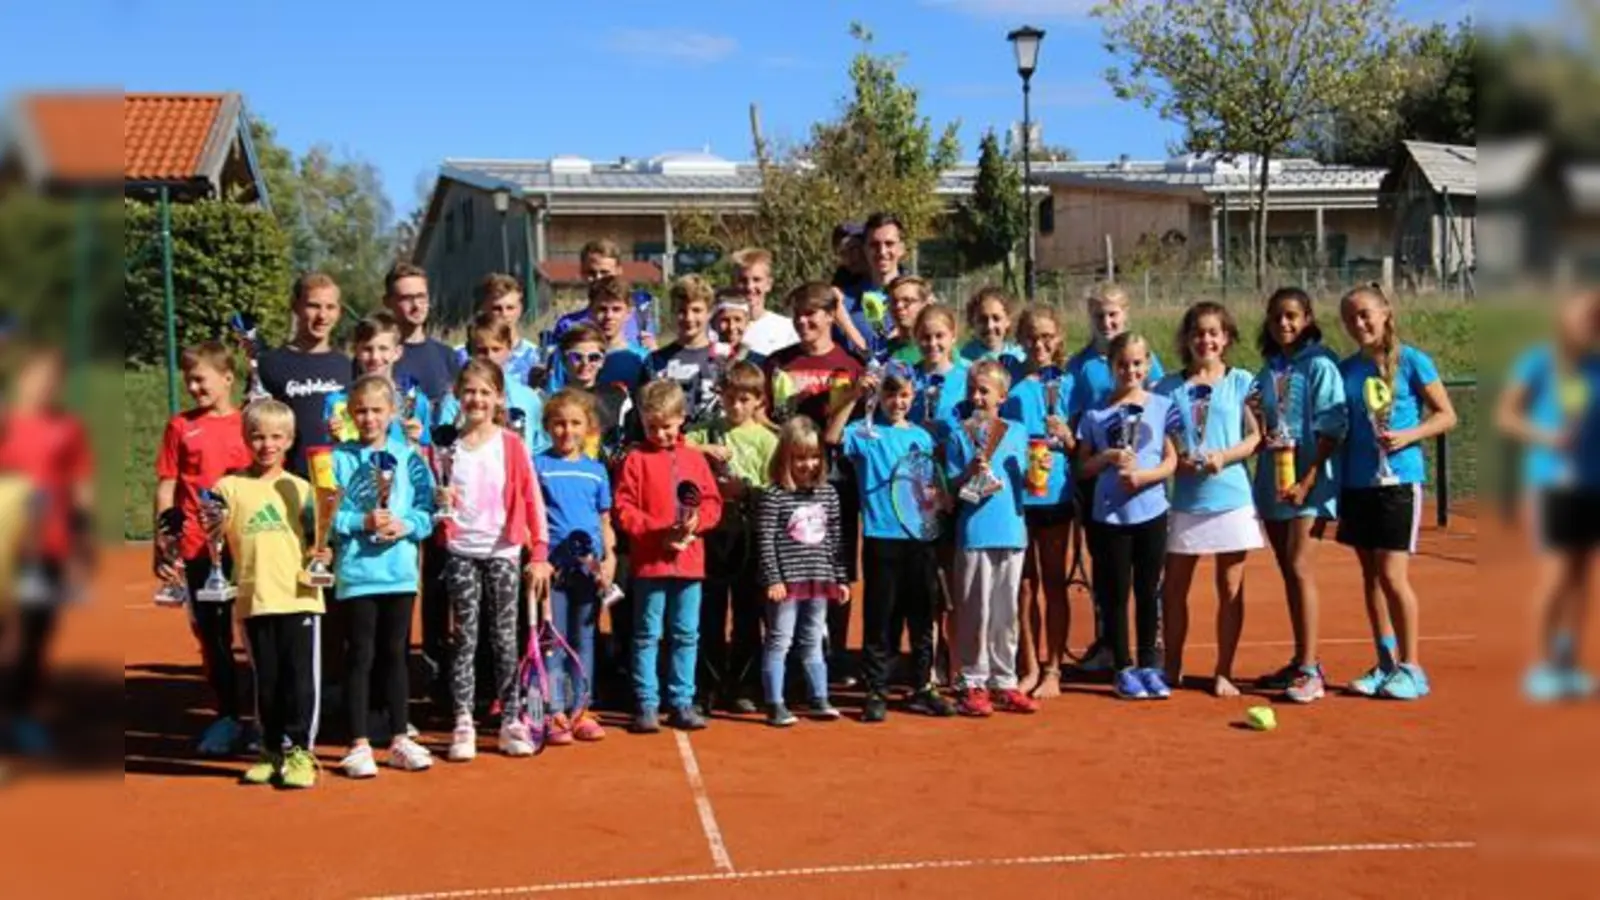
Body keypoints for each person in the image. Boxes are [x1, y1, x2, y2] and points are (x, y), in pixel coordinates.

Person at [1336, 284, 1458, 700]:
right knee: (1370, 578)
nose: (1359, 323)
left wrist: (1409, 435)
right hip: (1357, 483)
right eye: (1351, 318)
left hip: (1399, 482)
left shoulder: (1411, 361)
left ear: (1386, 312)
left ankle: (1412, 667)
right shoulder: (1347, 369)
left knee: (1392, 575)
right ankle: (1385, 663)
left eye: (1366, 314)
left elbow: (1446, 415)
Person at [434, 360, 551, 760]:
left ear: (499, 397)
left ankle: (511, 719)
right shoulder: (445, 447)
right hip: (461, 551)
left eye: (485, 392)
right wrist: (439, 505)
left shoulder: (511, 445)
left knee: (505, 639)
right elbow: (434, 497)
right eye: (470, 391)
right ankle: (463, 721)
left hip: (503, 551)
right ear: (457, 396)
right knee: (465, 639)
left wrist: (539, 550)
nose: (477, 399)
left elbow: (532, 497)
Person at [828, 363, 954, 721]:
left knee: (921, 615)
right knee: (880, 617)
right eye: (889, 393)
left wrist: (940, 500)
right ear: (878, 395)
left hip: (920, 537)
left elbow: (931, 483)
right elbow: (832, 437)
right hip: (881, 537)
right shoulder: (865, 433)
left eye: (903, 395)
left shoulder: (923, 436)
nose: (897, 402)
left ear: (913, 397)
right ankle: (876, 690)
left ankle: (921, 686)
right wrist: (854, 395)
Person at [210, 400, 326, 789]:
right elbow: (213, 535)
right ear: (245, 438)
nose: (267, 444)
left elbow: (318, 544)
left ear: (290, 440)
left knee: (300, 682)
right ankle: (271, 748)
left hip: (299, 596)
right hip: (254, 598)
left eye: (277, 436)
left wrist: (322, 551)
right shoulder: (228, 487)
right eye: (258, 436)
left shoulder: (304, 489)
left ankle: (301, 753)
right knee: (268, 681)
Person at [1153, 303, 1266, 698]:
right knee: (1173, 590)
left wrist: (1224, 456)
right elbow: (1159, 434)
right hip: (1185, 500)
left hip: (1232, 497)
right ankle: (1172, 667)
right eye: (1198, 333)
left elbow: (1256, 437)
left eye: (1214, 333)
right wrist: (1175, 459)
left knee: (1231, 588)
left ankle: (1224, 671)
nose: (1206, 340)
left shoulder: (1243, 382)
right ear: (1187, 339)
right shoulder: (1167, 387)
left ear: (1226, 338)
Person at [329, 376, 436, 777]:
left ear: (392, 412)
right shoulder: (337, 459)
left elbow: (428, 510)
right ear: (350, 414)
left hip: (400, 574)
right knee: (359, 655)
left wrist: (408, 526)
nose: (369, 418)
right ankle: (357, 743)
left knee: (395, 655)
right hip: (358, 574)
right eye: (361, 410)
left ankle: (399, 738)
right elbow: (324, 518)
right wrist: (362, 520)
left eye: (377, 410)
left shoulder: (410, 458)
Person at [1496, 290, 1600, 701]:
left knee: (1583, 575)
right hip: (1552, 484)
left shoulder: (1594, 367)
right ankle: (1543, 665)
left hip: (1593, 484)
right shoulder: (1538, 362)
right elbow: (1507, 417)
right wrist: (1548, 436)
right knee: (1556, 575)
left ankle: (1568, 661)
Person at [152, 341, 254, 755]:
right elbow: (167, 485)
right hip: (197, 549)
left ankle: (267, 719)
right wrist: (164, 540)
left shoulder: (250, 424)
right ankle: (228, 716)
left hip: (245, 547)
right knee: (213, 636)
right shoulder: (180, 426)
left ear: (227, 379)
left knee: (257, 635)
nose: (194, 387)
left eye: (202, 378)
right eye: (189, 379)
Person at [1249, 288, 1347, 701]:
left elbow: (1333, 427)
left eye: (1292, 316)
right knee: (1288, 569)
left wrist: (1307, 481)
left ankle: (1311, 670)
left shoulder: (1321, 364)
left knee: (1301, 567)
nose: (1284, 324)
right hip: (1275, 480)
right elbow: (1259, 423)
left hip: (1310, 481)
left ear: (1307, 317)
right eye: (1276, 318)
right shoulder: (1269, 368)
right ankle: (1300, 659)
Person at [765, 282, 866, 684]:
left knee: (836, 562)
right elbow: (767, 416)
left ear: (829, 316)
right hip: (790, 482)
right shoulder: (777, 363)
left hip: (837, 480)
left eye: (812, 314)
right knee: (786, 560)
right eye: (798, 315)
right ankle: (783, 653)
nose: (804, 322)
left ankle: (834, 653)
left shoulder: (851, 364)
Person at [0, 345, 96, 756]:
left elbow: (80, 485)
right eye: (36, 375)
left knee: (37, 634)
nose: (43, 385)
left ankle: (22, 714)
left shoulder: (67, 428)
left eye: (51, 378)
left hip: (49, 545)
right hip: (4, 545)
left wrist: (81, 543)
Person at [613, 380, 724, 733]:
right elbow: (623, 508)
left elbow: (712, 502)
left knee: (686, 633)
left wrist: (696, 523)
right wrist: (658, 529)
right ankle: (646, 702)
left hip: (689, 562)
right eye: (652, 427)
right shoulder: (635, 460)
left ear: (681, 420)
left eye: (667, 426)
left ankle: (681, 701)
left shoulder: (694, 459)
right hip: (650, 561)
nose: (660, 433)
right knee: (647, 633)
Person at [1066, 282, 1166, 671]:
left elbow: (1157, 410)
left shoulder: (1145, 359)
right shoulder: (1079, 366)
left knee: (1145, 574)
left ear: (1125, 315)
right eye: (1099, 316)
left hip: (1141, 479)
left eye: (1113, 315)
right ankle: (1110, 642)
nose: (1107, 322)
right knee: (1108, 571)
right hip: (1098, 478)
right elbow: (1078, 424)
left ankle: (1149, 645)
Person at [1077, 333, 1180, 700]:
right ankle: (1123, 666)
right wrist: (1106, 459)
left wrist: (1144, 477)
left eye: (1137, 363)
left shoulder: (1163, 405)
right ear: (1111, 368)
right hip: (1111, 517)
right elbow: (1083, 467)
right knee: (1115, 594)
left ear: (1148, 364)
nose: (1130, 370)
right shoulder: (1095, 413)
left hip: (1152, 511)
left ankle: (1150, 665)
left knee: (1148, 591)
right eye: (1122, 364)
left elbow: (1172, 459)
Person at [941, 360, 1034, 716]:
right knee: (975, 611)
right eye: (972, 391)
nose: (977, 397)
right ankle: (972, 681)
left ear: (1002, 396)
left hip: (1011, 529)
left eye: (985, 391)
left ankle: (1004, 680)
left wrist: (1037, 472)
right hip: (974, 531)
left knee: (1005, 612)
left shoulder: (1018, 431)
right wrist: (970, 471)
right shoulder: (958, 434)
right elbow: (953, 491)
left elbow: (1026, 479)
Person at [687, 361, 778, 715]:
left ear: (758, 400)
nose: (736, 406)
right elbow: (673, 442)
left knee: (746, 612)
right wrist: (705, 451)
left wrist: (747, 491)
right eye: (730, 398)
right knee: (709, 611)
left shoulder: (768, 440)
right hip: (711, 531)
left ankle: (744, 683)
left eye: (744, 399)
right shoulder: (708, 432)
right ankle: (707, 684)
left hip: (749, 532)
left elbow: (776, 489)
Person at [1000, 305, 1076, 699]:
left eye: (1047, 337)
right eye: (1031, 337)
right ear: (1021, 339)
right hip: (1018, 495)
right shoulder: (1009, 385)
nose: (1039, 344)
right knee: (1024, 586)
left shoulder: (1069, 383)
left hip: (1058, 496)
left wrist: (1067, 437)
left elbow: (1084, 445)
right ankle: (1028, 665)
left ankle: (1054, 668)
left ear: (1058, 338)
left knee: (1054, 582)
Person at [753, 418, 847, 727]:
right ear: (785, 458)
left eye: (813, 456)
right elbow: (765, 539)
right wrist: (773, 578)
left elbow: (835, 540)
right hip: (787, 583)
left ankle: (819, 697)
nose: (808, 464)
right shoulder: (774, 495)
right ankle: (775, 702)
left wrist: (840, 578)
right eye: (799, 457)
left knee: (813, 640)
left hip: (819, 580)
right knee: (780, 639)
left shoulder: (829, 495)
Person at [535, 389, 616, 743]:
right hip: (553, 572)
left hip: (589, 571)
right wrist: (538, 559)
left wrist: (609, 559)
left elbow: (605, 521)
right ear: (547, 426)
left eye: (575, 423)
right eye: (559, 423)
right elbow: (532, 517)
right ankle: (553, 712)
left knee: (584, 638)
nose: (566, 431)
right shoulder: (538, 465)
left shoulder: (596, 471)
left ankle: (581, 708)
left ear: (588, 428)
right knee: (553, 640)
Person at [258, 272, 351, 477]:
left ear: (339, 312)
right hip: (286, 483)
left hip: (338, 483)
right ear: (296, 306)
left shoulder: (348, 366)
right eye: (313, 306)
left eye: (330, 307)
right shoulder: (270, 365)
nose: (322, 316)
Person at [438, 315, 549, 456]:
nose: (490, 356)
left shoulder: (528, 398)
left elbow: (539, 448)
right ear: (469, 350)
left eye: (496, 349)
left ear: (509, 349)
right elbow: (444, 448)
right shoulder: (455, 399)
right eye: (482, 350)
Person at [323, 311, 432, 447]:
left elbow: (428, 458)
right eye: (367, 349)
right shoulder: (337, 402)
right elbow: (328, 457)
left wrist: (419, 440)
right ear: (355, 350)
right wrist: (333, 438)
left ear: (397, 352)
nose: (375, 357)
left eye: (383, 349)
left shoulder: (416, 402)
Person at [645, 275, 722, 426]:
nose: (689, 318)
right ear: (673, 312)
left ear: (710, 313)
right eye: (682, 310)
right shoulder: (655, 361)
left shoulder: (724, 359)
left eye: (696, 310)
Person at [384, 262, 460, 403]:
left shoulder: (447, 357)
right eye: (406, 298)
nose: (416, 306)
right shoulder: (378, 357)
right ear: (388, 302)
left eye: (421, 297)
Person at [452, 274, 541, 387]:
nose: (504, 314)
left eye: (510, 308)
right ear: (484, 308)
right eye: (497, 308)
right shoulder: (460, 356)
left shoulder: (534, 356)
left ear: (519, 309)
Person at [551, 240, 645, 346]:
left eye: (605, 272)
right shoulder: (568, 325)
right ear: (582, 272)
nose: (598, 278)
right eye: (591, 272)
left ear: (619, 271)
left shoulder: (639, 321)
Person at [732, 247, 799, 357]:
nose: (750, 287)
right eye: (743, 280)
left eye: (757, 280)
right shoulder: (718, 328)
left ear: (769, 284)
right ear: (734, 283)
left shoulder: (787, 329)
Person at [959, 287, 1025, 368]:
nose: (990, 326)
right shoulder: (963, 360)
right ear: (972, 322)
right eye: (982, 319)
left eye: (996, 318)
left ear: (1008, 321)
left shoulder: (1020, 358)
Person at [883, 276, 931, 365]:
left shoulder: (937, 348)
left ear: (925, 305)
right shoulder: (884, 349)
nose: (899, 306)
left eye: (907, 300)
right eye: (894, 301)